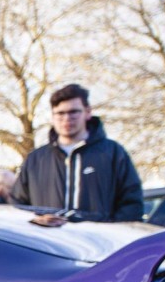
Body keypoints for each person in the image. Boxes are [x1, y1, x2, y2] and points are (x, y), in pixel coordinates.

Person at [12, 84, 143, 223]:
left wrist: (106, 230)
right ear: (52, 116)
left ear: (88, 112)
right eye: (60, 113)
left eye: (73, 112)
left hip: (96, 242)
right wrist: (36, 221)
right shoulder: (36, 159)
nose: (67, 118)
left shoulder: (113, 153)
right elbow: (18, 207)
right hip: (47, 242)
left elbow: (132, 205)